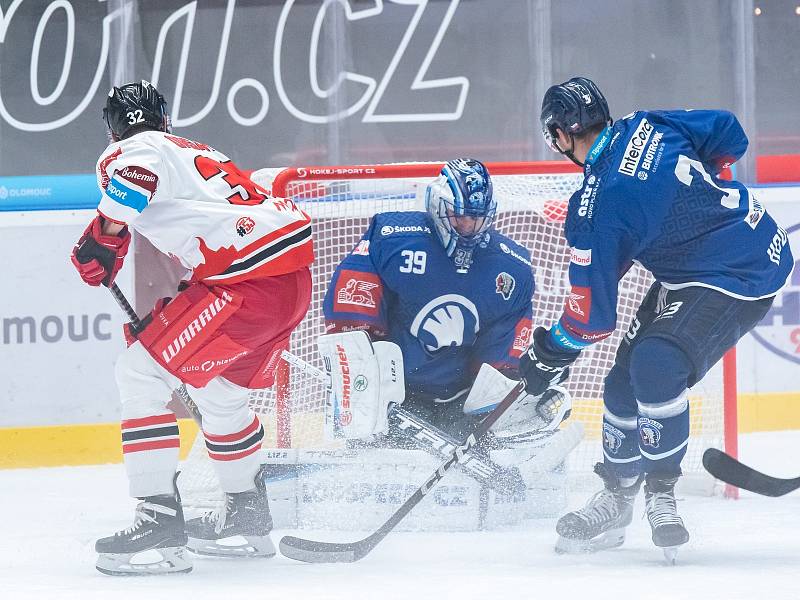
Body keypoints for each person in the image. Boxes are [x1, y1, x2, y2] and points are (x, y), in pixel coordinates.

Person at [519, 76, 793, 561]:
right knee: (621, 385)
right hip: (731, 249)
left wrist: (549, 352)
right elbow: (729, 133)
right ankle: (618, 496)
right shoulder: (648, 123)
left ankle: (661, 492)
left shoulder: (595, 206)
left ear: (560, 134)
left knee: (655, 365)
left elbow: (590, 320)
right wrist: (694, 202)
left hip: (738, 274)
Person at [70, 80, 314, 575]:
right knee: (222, 396)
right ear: (164, 117)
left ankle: (158, 517)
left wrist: (102, 236)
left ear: (112, 126)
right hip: (291, 283)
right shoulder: (196, 149)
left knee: (139, 375)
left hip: (246, 284)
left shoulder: (129, 150)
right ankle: (247, 515)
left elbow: (135, 179)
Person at [322, 158, 560, 442]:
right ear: (438, 204)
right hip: (389, 394)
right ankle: (362, 438)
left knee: (518, 404)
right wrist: (367, 391)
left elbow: (500, 360)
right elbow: (350, 317)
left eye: (477, 217)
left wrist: (486, 406)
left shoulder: (512, 268)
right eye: (460, 216)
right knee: (354, 348)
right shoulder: (392, 237)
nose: (469, 226)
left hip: (456, 401)